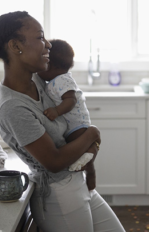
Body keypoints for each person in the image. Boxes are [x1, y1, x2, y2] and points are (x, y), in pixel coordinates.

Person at [0, 11, 124, 232]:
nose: (48, 45)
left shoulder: (38, 80)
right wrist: (92, 133)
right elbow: (55, 161)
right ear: (15, 46)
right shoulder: (13, 107)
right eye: (40, 37)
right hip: (59, 193)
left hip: (77, 183)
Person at [37, 39, 96, 190]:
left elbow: (71, 100)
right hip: (71, 125)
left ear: (51, 65)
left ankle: (90, 171)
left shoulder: (62, 80)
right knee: (80, 152)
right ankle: (89, 168)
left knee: (82, 150)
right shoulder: (55, 80)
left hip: (77, 124)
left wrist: (56, 111)